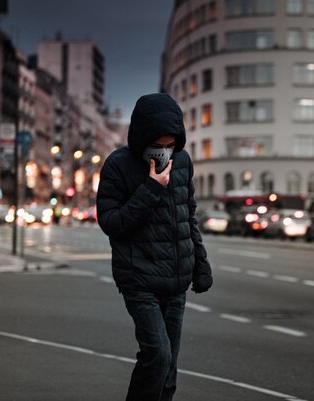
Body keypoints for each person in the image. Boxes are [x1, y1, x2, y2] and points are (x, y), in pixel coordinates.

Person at [96, 93, 213, 401]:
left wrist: (201, 266)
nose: (163, 152)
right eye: (156, 145)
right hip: (140, 280)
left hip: (176, 282)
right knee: (157, 357)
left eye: (169, 145)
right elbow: (111, 222)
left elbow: (188, 216)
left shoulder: (183, 162)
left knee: (169, 368)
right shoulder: (118, 165)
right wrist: (150, 188)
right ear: (141, 138)